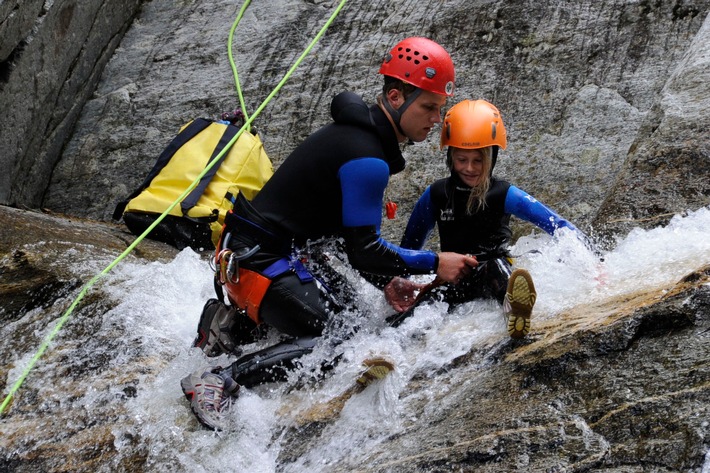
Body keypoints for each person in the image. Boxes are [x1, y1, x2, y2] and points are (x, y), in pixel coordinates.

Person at [179, 37, 478, 430]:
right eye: (428, 107)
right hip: (260, 262)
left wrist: (387, 280)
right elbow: (364, 249)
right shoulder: (367, 157)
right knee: (338, 340)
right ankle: (220, 379)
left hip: (250, 254)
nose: (435, 119)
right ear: (394, 97)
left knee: (360, 324)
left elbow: (341, 239)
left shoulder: (359, 139)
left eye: (439, 109)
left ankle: (234, 325)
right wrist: (436, 261)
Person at [385, 99, 591, 338]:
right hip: (454, 278)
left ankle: (516, 311)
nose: (470, 168)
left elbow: (560, 227)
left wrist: (595, 262)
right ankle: (383, 350)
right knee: (429, 303)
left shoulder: (504, 194)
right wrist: (399, 281)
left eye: (479, 160)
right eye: (462, 160)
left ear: (492, 158)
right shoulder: (436, 195)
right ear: (450, 157)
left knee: (496, 267)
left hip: (493, 271)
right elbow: (409, 248)